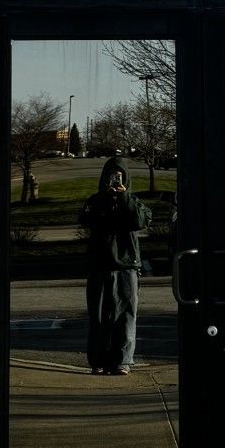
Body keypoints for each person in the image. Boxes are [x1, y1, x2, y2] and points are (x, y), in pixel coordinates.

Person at [79, 156, 150, 376]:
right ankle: (98, 359)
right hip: (100, 264)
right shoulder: (95, 201)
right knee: (98, 314)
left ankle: (122, 360)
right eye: (112, 176)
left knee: (126, 314)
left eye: (120, 176)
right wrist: (104, 198)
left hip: (126, 265)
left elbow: (139, 221)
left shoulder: (134, 202)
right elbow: (85, 219)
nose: (115, 180)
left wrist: (124, 196)